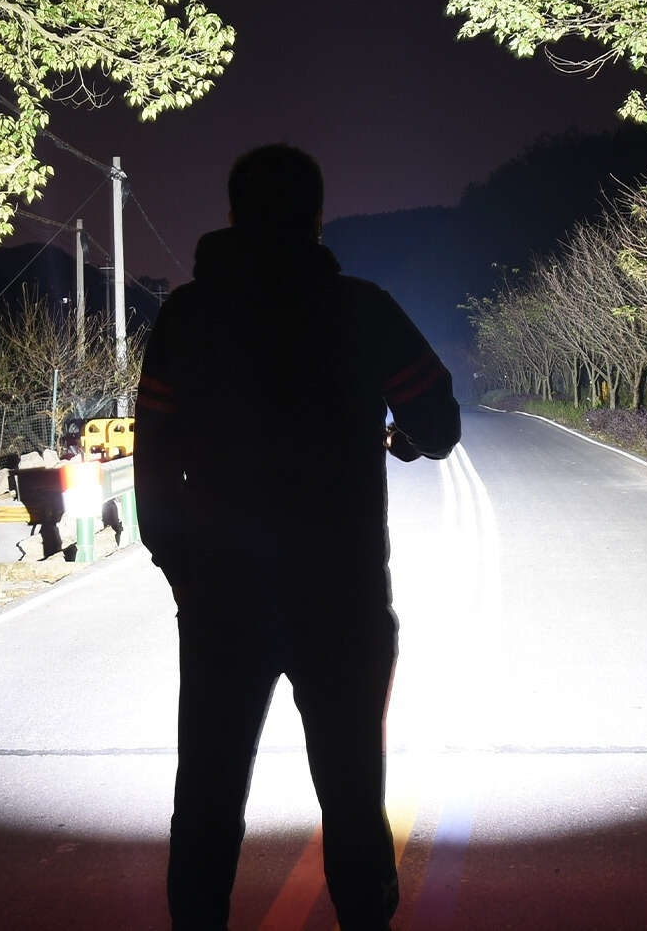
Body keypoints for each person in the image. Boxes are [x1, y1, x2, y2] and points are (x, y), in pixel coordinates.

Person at [133, 144, 461, 931]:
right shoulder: (363, 309)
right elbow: (438, 425)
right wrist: (401, 441)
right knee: (352, 798)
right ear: (317, 219)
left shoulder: (186, 317)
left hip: (221, 600)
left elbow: (153, 458)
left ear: (232, 215)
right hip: (341, 599)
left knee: (206, 796)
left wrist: (181, 567)